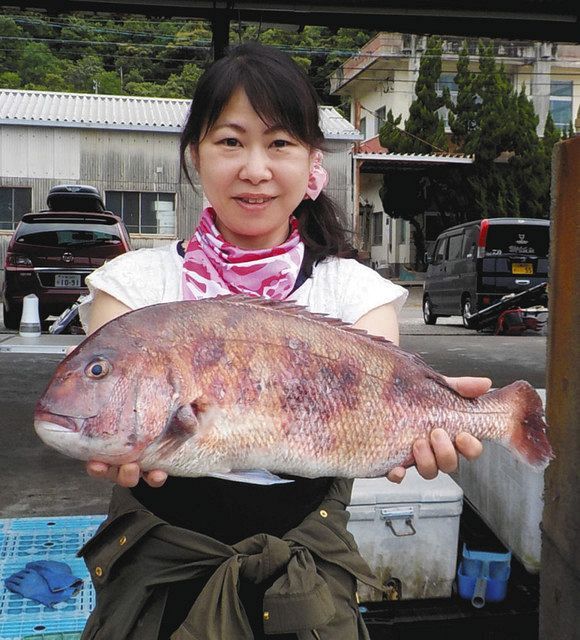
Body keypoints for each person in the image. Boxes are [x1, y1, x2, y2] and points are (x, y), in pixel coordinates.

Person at [77, 43, 489, 640]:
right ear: (195, 154)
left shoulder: (356, 293)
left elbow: (379, 409)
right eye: (229, 141)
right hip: (158, 567)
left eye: (279, 144)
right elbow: (111, 408)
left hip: (307, 569)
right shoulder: (132, 286)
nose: (255, 168)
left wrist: (427, 421)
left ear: (312, 161)